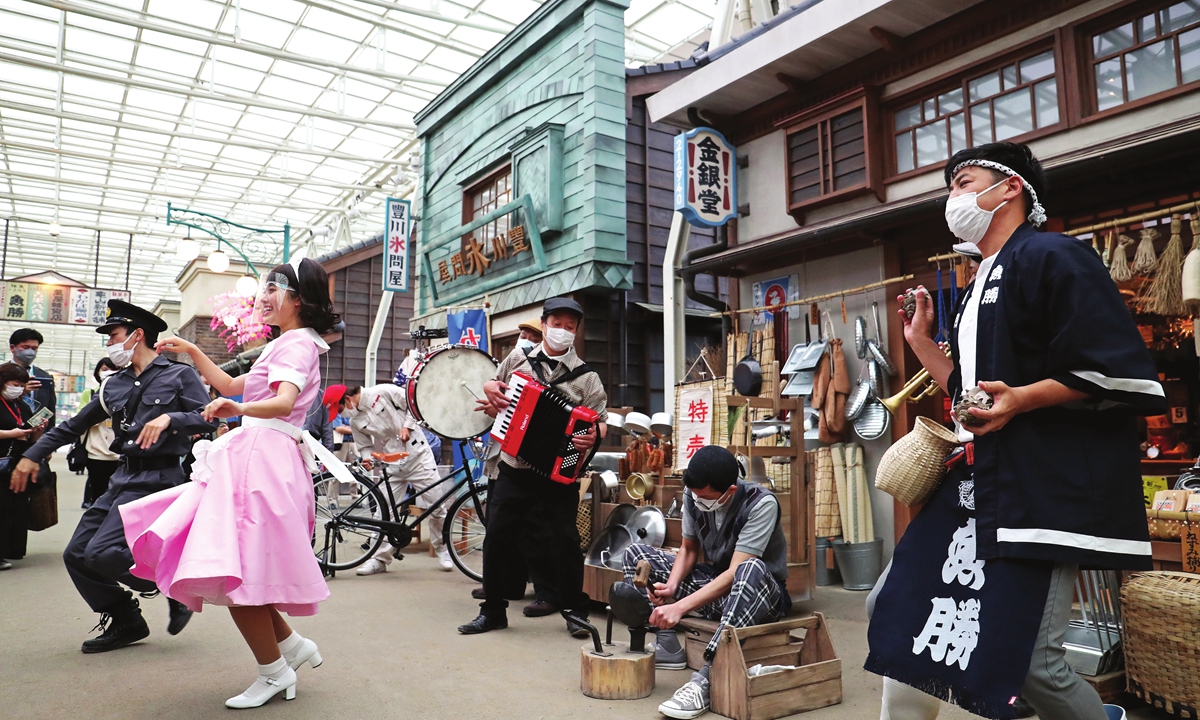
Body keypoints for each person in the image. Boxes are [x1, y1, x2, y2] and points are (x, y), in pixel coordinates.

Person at [865, 142, 1163, 720]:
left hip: (1039, 487)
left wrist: (1023, 398)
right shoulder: (978, 283)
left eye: (963, 182)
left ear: (1010, 189)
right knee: (899, 608)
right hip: (982, 485)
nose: (952, 197)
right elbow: (976, 397)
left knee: (1034, 665)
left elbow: (1117, 369)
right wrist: (923, 345)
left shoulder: (1054, 255)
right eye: (950, 186)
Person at [121, 257, 340, 709]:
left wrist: (237, 410)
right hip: (259, 460)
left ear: (298, 299)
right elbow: (230, 382)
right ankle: (292, 651)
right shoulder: (288, 344)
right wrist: (194, 352)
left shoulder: (295, 346)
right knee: (242, 567)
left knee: (234, 569)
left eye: (274, 288)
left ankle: (275, 671)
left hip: (262, 460)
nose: (263, 296)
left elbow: (280, 403)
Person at [11, 300, 213, 650]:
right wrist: (31, 456)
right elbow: (72, 427)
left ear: (137, 335)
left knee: (102, 553)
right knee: (76, 554)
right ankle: (126, 620)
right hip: (121, 479)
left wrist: (171, 418)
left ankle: (168, 583)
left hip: (161, 480)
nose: (108, 344)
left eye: (113, 336)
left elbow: (206, 415)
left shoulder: (179, 375)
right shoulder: (113, 385)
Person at [458, 296, 606, 636]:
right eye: (557, 324)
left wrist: (591, 437)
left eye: (570, 327)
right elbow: (494, 384)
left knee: (565, 540)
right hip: (514, 462)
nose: (563, 332)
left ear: (576, 332)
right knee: (497, 534)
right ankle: (493, 609)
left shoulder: (587, 378)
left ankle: (574, 610)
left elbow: (601, 423)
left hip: (560, 472)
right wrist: (491, 389)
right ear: (544, 324)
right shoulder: (518, 358)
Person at [622, 445, 789, 720]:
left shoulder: (762, 504)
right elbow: (688, 549)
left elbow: (736, 572)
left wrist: (680, 607)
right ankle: (666, 644)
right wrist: (673, 587)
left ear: (730, 491)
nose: (698, 502)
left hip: (759, 594)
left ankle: (707, 678)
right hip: (715, 585)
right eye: (695, 496)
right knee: (636, 554)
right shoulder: (693, 492)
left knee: (749, 568)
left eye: (706, 498)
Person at [325, 382, 453, 573]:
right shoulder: (355, 422)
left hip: (418, 455)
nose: (342, 414)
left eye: (341, 408)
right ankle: (379, 559)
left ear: (348, 399)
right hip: (391, 463)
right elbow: (365, 446)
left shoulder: (384, 392)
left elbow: (413, 404)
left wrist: (408, 427)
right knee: (383, 514)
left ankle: (443, 549)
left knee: (436, 505)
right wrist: (367, 458)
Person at [0, 362, 48, 570]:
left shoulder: (22, 405)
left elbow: (31, 437)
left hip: (18, 462)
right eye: (14, 384)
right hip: (2, 458)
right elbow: (14, 432)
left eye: (22, 385)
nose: (18, 388)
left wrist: (37, 430)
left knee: (16, 506)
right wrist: (12, 434)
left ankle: (12, 548)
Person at [79, 358, 122, 508]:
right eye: (104, 369)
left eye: (114, 369)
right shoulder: (90, 394)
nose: (108, 373)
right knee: (98, 494)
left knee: (118, 496)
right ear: (97, 372)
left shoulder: (128, 394)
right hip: (96, 452)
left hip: (121, 453)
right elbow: (82, 419)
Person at [9, 328, 56, 428]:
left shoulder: (44, 376)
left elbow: (50, 409)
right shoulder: (2, 372)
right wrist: (20, 392)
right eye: (25, 347)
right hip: (6, 432)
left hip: (36, 436)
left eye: (34, 348)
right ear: (13, 348)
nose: (30, 352)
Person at [327, 386, 356, 462]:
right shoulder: (336, 409)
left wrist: (348, 428)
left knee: (356, 468)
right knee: (339, 467)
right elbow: (339, 428)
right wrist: (355, 430)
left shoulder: (354, 409)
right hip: (341, 443)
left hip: (353, 442)